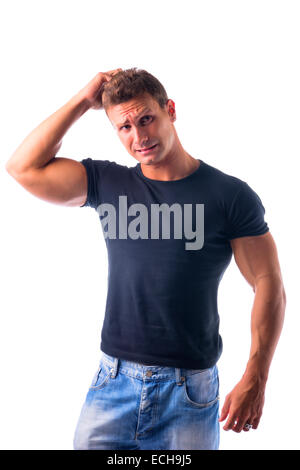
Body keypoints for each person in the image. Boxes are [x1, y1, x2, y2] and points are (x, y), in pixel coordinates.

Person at [5, 68, 286, 450]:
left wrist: (257, 376)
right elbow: (23, 167)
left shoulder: (229, 195)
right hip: (112, 382)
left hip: (189, 390)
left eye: (146, 119)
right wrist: (82, 102)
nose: (139, 137)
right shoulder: (108, 183)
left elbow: (268, 283)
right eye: (124, 127)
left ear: (169, 110)